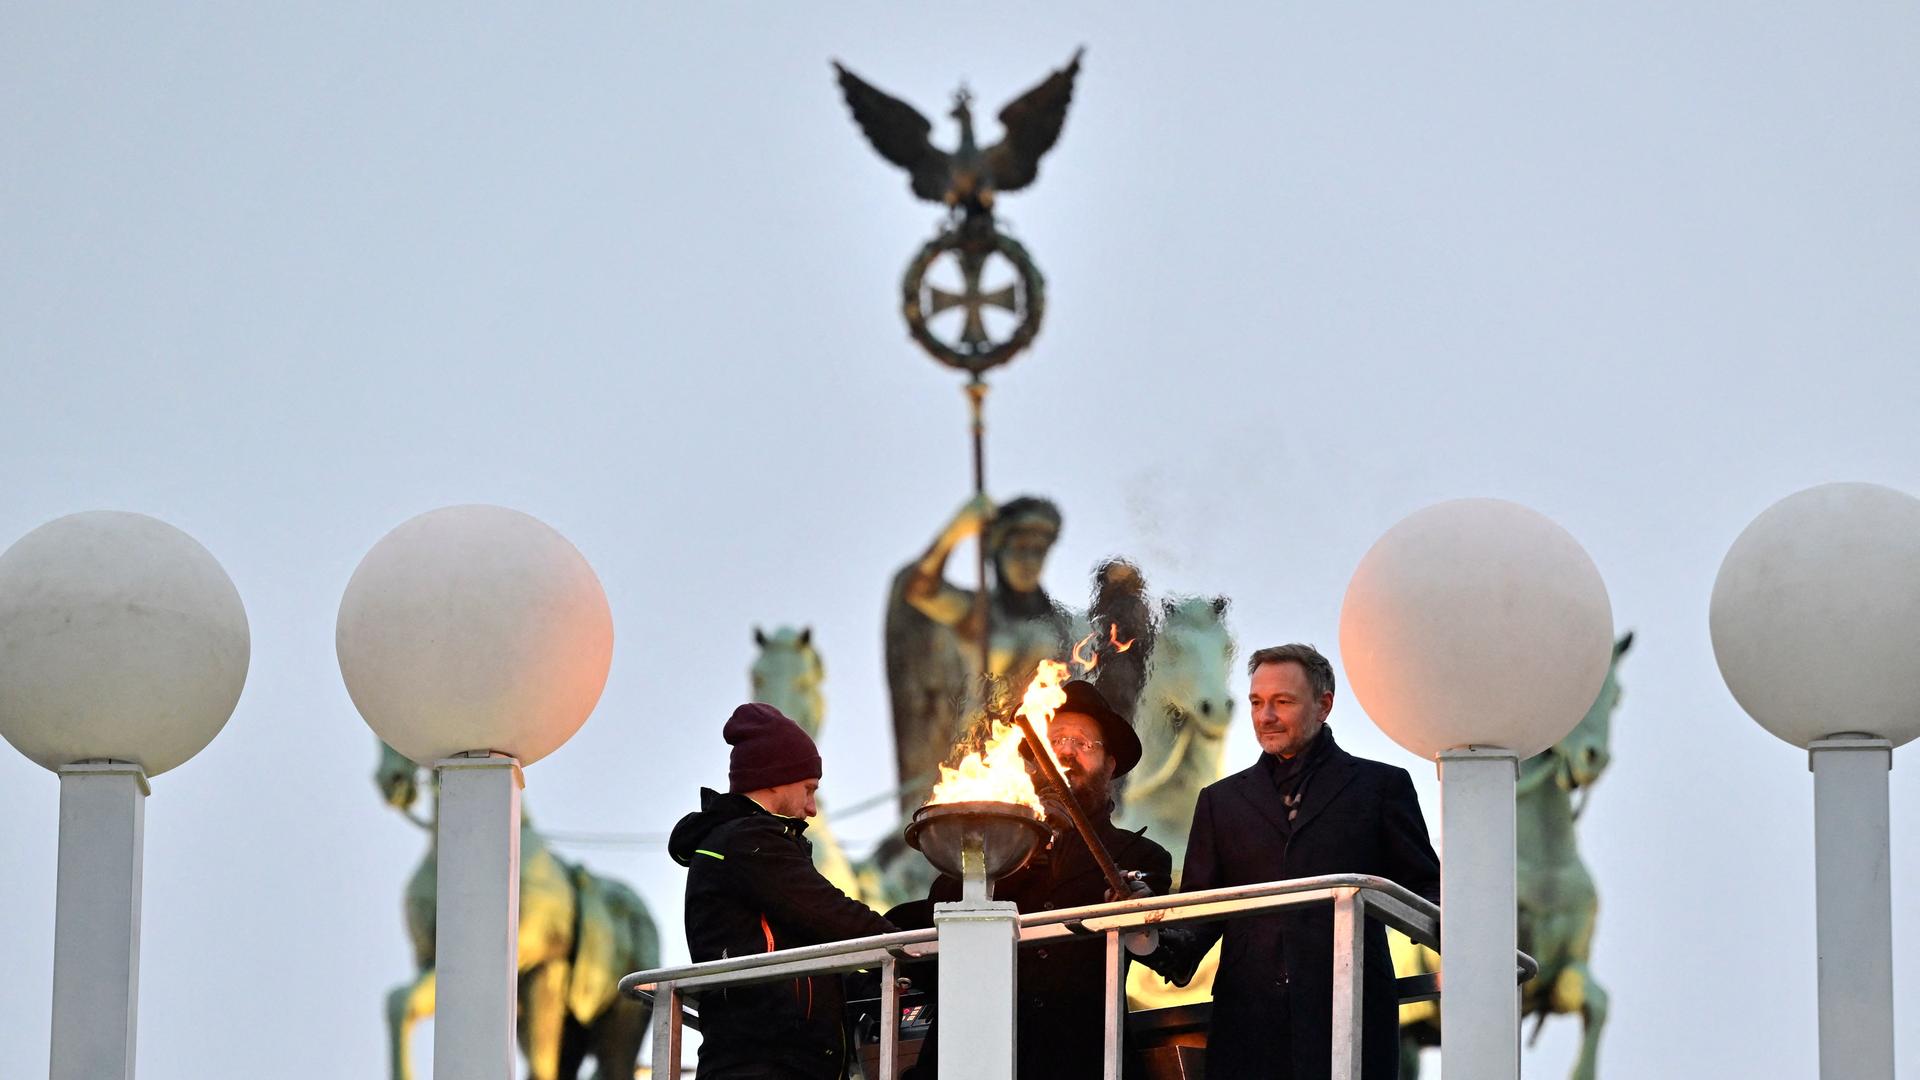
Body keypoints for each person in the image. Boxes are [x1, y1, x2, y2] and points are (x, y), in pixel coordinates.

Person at [1156, 644, 1441, 1079]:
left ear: (1323, 704)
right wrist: (1149, 934)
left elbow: (1427, 890)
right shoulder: (1221, 802)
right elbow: (1197, 922)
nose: (1265, 716)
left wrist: (1467, 946)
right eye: (1256, 702)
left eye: (1282, 701)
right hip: (1248, 1031)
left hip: (1347, 1024)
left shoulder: (1380, 787)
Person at [903, 680, 1173, 1079]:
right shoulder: (993, 841)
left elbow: (1156, 946)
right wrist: (1012, 845)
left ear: (1110, 765)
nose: (1066, 751)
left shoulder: (1140, 856)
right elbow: (943, 918)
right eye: (1057, 739)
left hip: (1083, 1059)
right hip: (978, 1057)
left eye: (1084, 743)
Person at [668, 703, 899, 1079]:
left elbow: (799, 949)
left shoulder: (742, 842)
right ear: (775, 778)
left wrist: (867, 982)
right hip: (764, 1066)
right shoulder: (748, 841)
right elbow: (830, 913)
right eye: (809, 790)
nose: (812, 808)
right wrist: (914, 948)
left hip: (777, 1060)